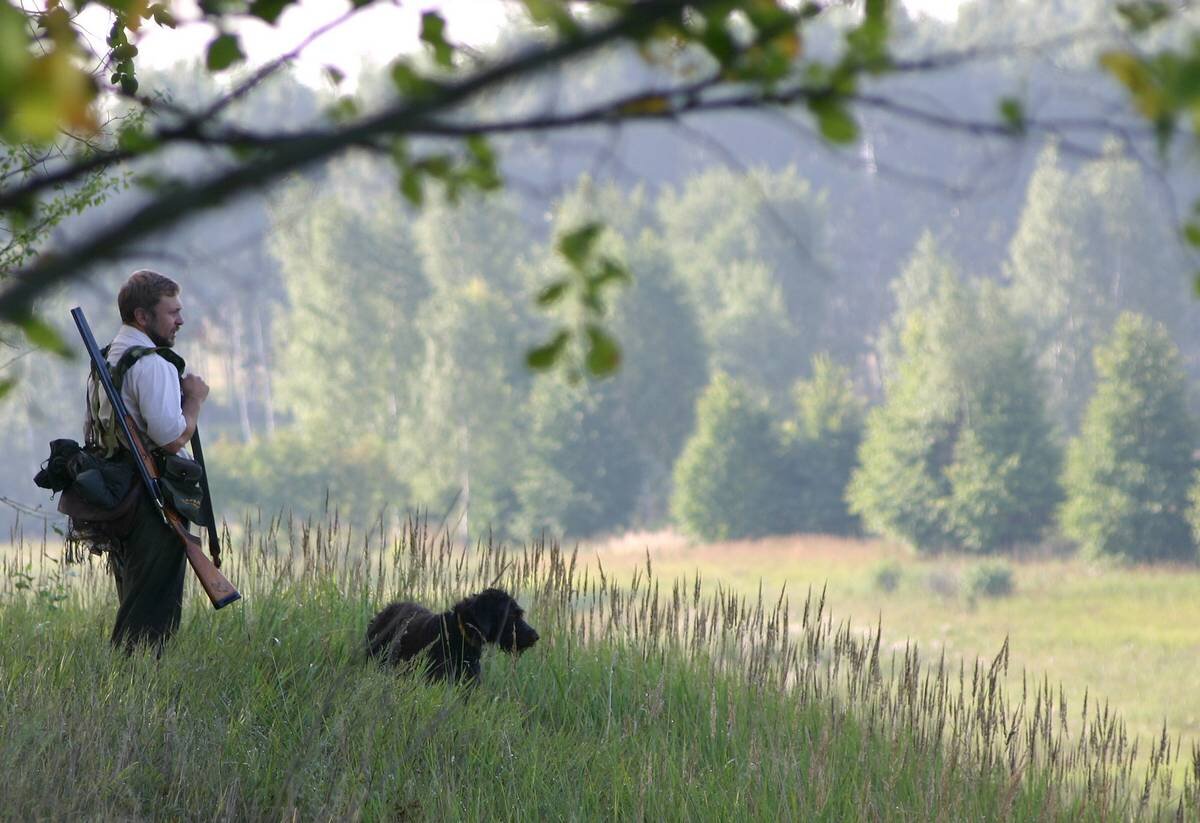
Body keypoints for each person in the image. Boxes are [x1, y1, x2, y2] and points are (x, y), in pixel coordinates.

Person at [85, 270, 210, 653]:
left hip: (121, 491)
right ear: (142, 316)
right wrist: (195, 400)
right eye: (172, 312)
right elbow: (172, 439)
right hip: (152, 496)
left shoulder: (108, 356)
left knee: (136, 596)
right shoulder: (151, 364)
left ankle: (129, 690)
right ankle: (133, 690)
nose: (180, 321)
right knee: (151, 611)